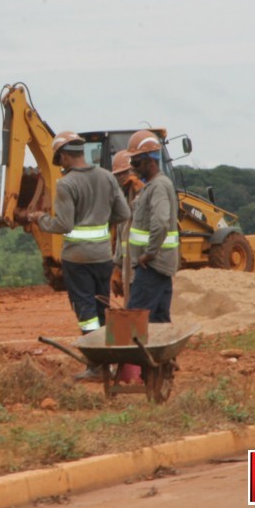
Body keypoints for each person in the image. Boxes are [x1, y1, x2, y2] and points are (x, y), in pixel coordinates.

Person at [29, 131, 131, 381]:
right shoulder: (107, 177)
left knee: (86, 311)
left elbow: (62, 224)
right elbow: (124, 212)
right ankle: (109, 360)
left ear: (64, 156)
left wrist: (39, 219)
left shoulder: (66, 184)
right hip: (103, 257)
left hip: (77, 259)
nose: (60, 164)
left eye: (59, 159)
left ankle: (95, 365)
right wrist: (101, 222)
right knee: (102, 306)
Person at [122, 130, 180, 323]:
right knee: (158, 320)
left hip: (152, 266)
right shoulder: (154, 186)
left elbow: (161, 222)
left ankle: (133, 354)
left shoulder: (158, 186)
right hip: (159, 266)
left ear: (150, 161)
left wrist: (149, 253)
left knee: (134, 320)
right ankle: (163, 354)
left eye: (136, 163)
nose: (133, 168)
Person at [110, 149, 144, 299]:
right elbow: (120, 238)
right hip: (128, 271)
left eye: (124, 173)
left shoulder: (145, 195)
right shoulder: (122, 201)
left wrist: (140, 194)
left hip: (142, 269)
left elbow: (144, 218)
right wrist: (117, 266)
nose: (121, 178)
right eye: (118, 175)